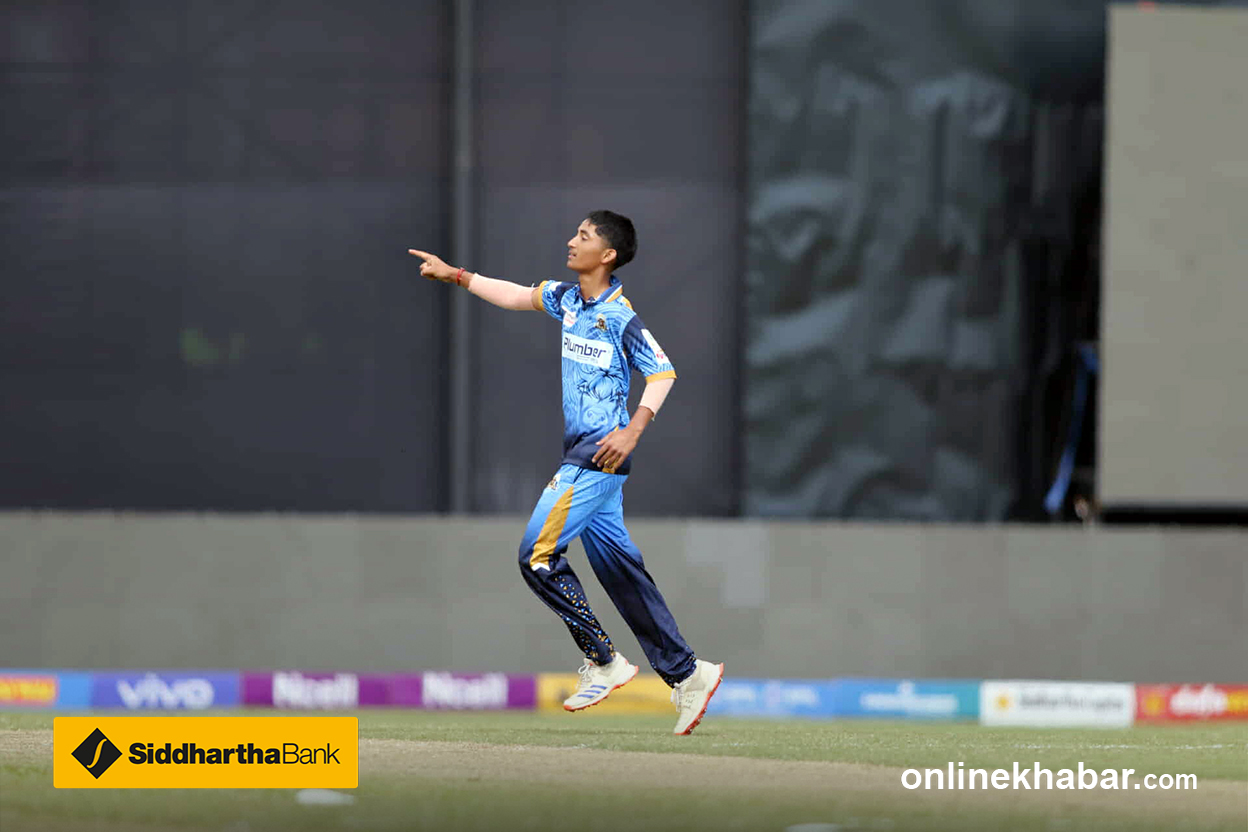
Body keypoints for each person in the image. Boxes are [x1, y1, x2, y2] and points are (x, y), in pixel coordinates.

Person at [408, 210, 723, 735]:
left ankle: (604, 661)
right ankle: (689, 674)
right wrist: (456, 275)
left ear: (608, 255)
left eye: (584, 236)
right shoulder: (569, 299)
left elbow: (663, 372)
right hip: (590, 458)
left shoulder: (619, 315)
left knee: (537, 556)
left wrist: (632, 432)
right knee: (622, 573)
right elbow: (516, 295)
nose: (571, 241)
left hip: (596, 456)